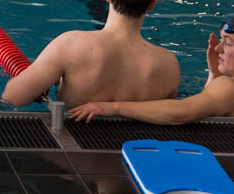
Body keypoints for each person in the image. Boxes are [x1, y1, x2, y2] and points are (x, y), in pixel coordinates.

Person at [2, 0, 180, 107]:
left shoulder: (71, 45)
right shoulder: (168, 65)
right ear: (152, 4)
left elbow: (13, 97)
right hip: (138, 148)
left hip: (75, 141)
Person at [69, 17, 234, 124]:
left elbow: (182, 113)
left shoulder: (228, 87)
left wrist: (113, 108)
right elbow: (212, 110)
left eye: (227, 43)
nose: (218, 49)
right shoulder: (225, 87)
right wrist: (214, 75)